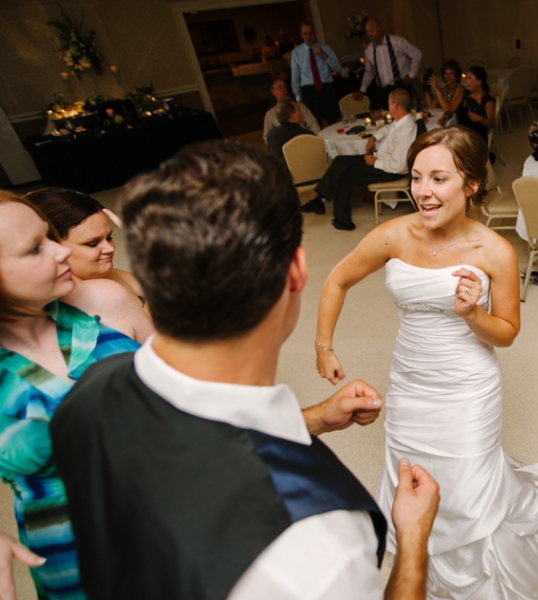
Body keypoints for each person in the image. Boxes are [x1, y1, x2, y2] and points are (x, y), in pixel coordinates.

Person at [49, 141, 440, 600]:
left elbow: (190, 450)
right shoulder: (318, 540)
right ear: (296, 271)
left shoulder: (87, 392)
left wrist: (314, 419)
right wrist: (413, 539)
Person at [315, 126, 538, 599]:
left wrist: (473, 313)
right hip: (409, 381)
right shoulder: (395, 234)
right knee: (411, 472)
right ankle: (417, 559)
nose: (423, 191)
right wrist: (324, 346)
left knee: (465, 483)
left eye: (439, 179)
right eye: (416, 178)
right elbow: (337, 280)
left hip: (468, 387)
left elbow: (507, 333)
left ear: (471, 184)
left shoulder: (495, 251)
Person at [0, 191, 151, 600]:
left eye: (50, 236)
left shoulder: (105, 299)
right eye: (35, 248)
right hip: (79, 558)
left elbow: (191, 388)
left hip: (183, 515)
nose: (61, 251)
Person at [24, 188, 155, 320]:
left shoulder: (105, 274)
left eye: (109, 238)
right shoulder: (80, 299)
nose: (110, 248)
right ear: (52, 246)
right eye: (92, 243)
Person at [301, 88, 418, 231]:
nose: (388, 106)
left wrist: (374, 162)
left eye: (389, 103)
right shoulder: (401, 121)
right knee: (339, 161)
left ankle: (343, 221)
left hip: (389, 169)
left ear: (395, 105)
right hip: (380, 158)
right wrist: (373, 137)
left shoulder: (405, 131)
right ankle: (319, 199)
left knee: (345, 177)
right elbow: (389, 128)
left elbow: (399, 166)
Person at [354, 18, 422, 110]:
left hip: (401, 87)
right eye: (367, 32)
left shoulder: (397, 42)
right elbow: (369, 72)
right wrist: (362, 90)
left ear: (380, 29)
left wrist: (410, 75)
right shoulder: (369, 50)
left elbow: (417, 54)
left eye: (371, 31)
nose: (369, 34)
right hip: (383, 91)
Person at [290, 22, 341, 126]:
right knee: (314, 123)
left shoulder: (325, 48)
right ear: (301, 35)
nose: (308, 36)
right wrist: (298, 98)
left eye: (310, 33)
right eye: (305, 34)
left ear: (314, 33)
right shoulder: (296, 52)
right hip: (309, 91)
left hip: (326, 89)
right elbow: (295, 76)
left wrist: (323, 55)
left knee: (333, 121)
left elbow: (337, 68)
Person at [446, 66, 495, 143]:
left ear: (479, 81)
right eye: (467, 78)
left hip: (476, 139)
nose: (466, 81)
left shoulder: (487, 101)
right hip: (461, 135)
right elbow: (452, 109)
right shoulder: (465, 94)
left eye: (470, 78)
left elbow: (492, 123)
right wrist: (445, 117)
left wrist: (481, 119)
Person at [265, 98, 314, 169]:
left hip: (281, 174)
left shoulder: (271, 135)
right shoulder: (307, 136)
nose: (301, 113)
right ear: (292, 117)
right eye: (299, 111)